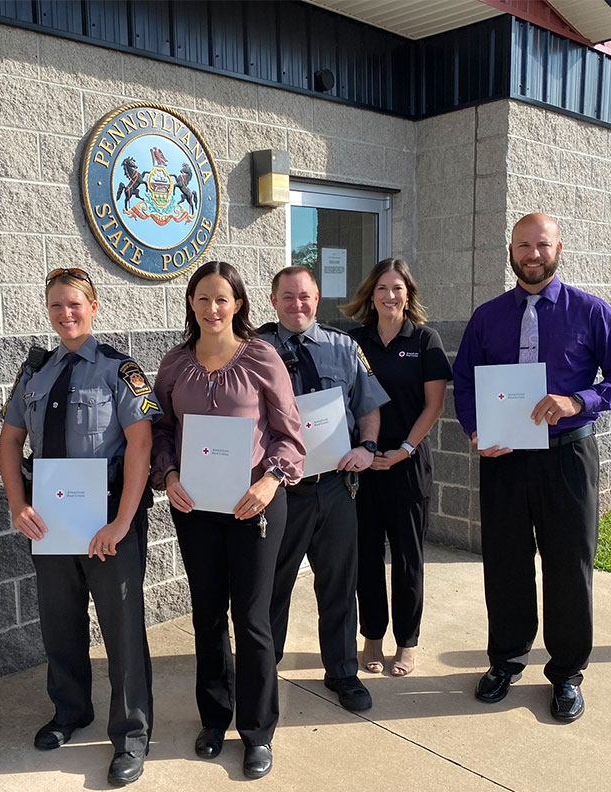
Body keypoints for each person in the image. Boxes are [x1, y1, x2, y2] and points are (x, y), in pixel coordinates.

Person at [0, 267, 159, 786]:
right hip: (51, 518)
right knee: (60, 623)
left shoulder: (120, 369)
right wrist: (17, 505)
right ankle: (70, 712)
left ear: (94, 307)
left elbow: (141, 444)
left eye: (75, 305)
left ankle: (131, 735)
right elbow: (8, 443)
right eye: (55, 306)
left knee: (123, 632)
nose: (65, 314)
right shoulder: (35, 373)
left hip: (107, 518)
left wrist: (123, 521)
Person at [453, 213, 611, 722]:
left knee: (568, 565)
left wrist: (577, 401)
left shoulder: (591, 311)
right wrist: (476, 431)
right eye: (523, 245)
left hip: (567, 456)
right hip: (505, 459)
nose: (532, 254)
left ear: (558, 247)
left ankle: (566, 673)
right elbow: (465, 382)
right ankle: (507, 659)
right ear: (512, 250)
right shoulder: (488, 316)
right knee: (505, 563)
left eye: (541, 245)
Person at [151, 261, 304, 779]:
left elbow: (289, 432)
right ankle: (214, 718)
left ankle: (258, 731)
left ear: (238, 303)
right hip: (195, 509)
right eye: (202, 299)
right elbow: (162, 431)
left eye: (222, 299)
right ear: (191, 305)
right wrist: (168, 474)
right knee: (207, 616)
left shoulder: (263, 358)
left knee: (253, 621)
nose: (212, 309)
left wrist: (270, 481)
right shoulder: (174, 364)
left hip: (253, 507)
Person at [259, 266, 388, 712]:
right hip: (279, 493)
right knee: (272, 586)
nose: (298, 304)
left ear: (317, 299)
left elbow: (367, 406)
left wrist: (368, 447)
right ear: (273, 301)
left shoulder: (345, 347)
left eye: (306, 296)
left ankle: (343, 672)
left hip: (335, 489)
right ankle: (263, 673)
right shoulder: (254, 350)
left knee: (338, 584)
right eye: (288, 297)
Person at [345, 258, 451, 677]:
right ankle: (372, 636)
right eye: (383, 288)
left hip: (408, 462)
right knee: (366, 557)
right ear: (371, 295)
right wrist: (362, 450)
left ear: (409, 294)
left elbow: (435, 404)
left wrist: (406, 448)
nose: (391, 296)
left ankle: (407, 642)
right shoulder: (354, 342)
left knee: (408, 559)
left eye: (398, 288)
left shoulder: (425, 339)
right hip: (364, 463)